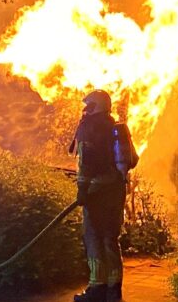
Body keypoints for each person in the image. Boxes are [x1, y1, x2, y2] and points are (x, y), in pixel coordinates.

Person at [73, 90, 126, 302]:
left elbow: (86, 162)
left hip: (97, 192)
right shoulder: (115, 127)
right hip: (116, 191)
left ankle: (96, 289)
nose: (85, 109)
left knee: (93, 236)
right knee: (110, 238)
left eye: (88, 105)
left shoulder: (90, 127)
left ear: (96, 106)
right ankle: (114, 290)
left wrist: (82, 190)